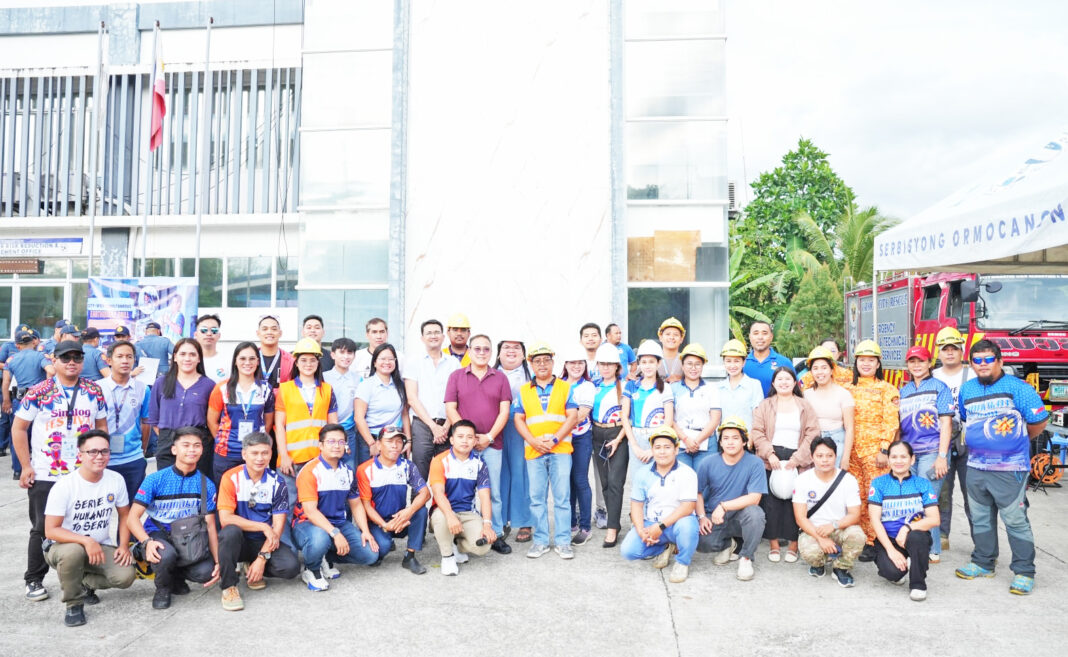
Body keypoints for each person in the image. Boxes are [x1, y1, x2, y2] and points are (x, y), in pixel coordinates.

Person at [12, 340, 108, 602]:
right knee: (42, 528)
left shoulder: (93, 391)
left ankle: (83, 582)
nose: (72, 363)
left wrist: (99, 462)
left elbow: (101, 427)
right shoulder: (38, 392)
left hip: (82, 473)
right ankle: (33, 578)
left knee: (82, 526)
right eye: (65, 358)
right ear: (54, 360)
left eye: (77, 358)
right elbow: (18, 428)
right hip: (45, 472)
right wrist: (26, 466)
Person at [954, 339, 1048, 596]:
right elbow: (966, 419)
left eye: (988, 359)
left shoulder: (1019, 388)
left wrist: (1015, 441)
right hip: (975, 466)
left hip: (1010, 468)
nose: (982, 365)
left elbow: (1038, 421)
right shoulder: (967, 390)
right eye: (977, 360)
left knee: (1015, 519)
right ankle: (984, 563)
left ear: (1000, 361)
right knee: (980, 517)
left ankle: (1024, 571)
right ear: (971, 364)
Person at [43, 429, 136, 626]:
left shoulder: (115, 479)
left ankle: (83, 581)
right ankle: (74, 604)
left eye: (104, 451)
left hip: (99, 546)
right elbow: (51, 530)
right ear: (80, 455)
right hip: (62, 547)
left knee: (126, 576)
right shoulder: (64, 486)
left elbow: (125, 515)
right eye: (92, 452)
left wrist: (123, 546)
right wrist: (86, 540)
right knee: (73, 553)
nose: (99, 456)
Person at [127, 427, 221, 610]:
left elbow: (210, 525)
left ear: (202, 450)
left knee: (207, 572)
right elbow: (132, 518)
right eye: (185, 445)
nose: (191, 450)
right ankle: (163, 588)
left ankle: (176, 575)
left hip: (188, 536)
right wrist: (147, 542)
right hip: (158, 532)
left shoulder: (206, 485)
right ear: (174, 449)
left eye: (196, 446)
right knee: (165, 554)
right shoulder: (155, 479)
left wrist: (218, 561)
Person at [216, 431, 300, 611]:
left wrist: (262, 558)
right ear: (244, 454)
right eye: (254, 453)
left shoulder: (278, 482)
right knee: (229, 532)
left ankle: (253, 566)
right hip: (238, 540)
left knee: (291, 567)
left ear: (271, 454)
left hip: (263, 541)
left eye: (265, 453)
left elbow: (277, 527)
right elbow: (225, 518)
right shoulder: (230, 477)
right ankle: (229, 586)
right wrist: (262, 525)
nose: (260, 458)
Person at [444, 333, 512, 554]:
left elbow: (504, 411)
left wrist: (489, 436)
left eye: (486, 349)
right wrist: (468, 437)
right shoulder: (456, 376)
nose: (481, 353)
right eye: (477, 349)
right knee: (459, 491)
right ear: (469, 351)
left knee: (493, 492)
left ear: (491, 353)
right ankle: (460, 533)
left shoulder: (500, 378)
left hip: (493, 444)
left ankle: (497, 534)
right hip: (464, 446)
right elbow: (451, 408)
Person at [291, 424, 381, 591]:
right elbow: (310, 512)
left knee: (370, 554)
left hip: (338, 523)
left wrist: (365, 531)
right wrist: (335, 533)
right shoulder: (310, 471)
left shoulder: (347, 472)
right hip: (308, 524)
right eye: (331, 441)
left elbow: (356, 504)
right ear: (321, 445)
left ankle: (323, 556)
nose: (336, 446)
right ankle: (312, 568)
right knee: (320, 539)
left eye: (341, 442)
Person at [513, 341, 578, 559]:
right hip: (534, 452)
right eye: (537, 361)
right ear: (531, 364)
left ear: (552, 362)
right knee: (537, 498)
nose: (542, 365)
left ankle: (563, 542)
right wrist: (533, 441)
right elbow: (519, 420)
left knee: (562, 498)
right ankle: (540, 541)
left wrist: (555, 439)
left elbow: (572, 416)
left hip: (560, 450)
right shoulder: (523, 391)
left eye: (546, 360)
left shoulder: (565, 387)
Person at [752, 367, 820, 563]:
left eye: (787, 379)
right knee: (771, 502)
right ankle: (773, 544)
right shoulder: (765, 405)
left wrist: (797, 459)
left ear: (794, 382)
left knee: (795, 503)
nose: (783, 382)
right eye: (779, 379)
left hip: (797, 456)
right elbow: (757, 431)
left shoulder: (804, 406)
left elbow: (812, 433)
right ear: (773, 383)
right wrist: (769, 453)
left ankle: (793, 544)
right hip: (771, 456)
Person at [620, 427, 699, 583]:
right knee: (628, 551)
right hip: (652, 522)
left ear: (676, 450)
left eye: (667, 447)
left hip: (677, 523)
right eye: (658, 447)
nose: (662, 452)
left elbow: (688, 507)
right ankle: (664, 547)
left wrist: (661, 526)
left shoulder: (687, 473)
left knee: (688, 526)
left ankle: (682, 562)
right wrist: (641, 530)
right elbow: (636, 505)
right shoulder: (643, 473)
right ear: (652, 450)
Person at [844, 339, 900, 561]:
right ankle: (859, 539)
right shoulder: (847, 388)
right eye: (861, 360)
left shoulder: (887, 389)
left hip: (875, 453)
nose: (866, 364)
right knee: (856, 497)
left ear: (878, 364)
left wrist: (884, 449)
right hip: (852, 454)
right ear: (855, 363)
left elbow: (891, 421)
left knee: (876, 497)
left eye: (871, 360)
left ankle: (876, 541)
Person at [898, 345, 953, 564]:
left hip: (932, 452)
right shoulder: (904, 391)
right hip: (910, 454)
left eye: (921, 361)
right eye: (912, 361)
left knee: (927, 500)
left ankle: (933, 549)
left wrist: (942, 456)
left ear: (929, 363)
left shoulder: (940, 387)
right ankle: (915, 544)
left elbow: (946, 423)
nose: (917, 365)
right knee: (910, 499)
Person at [696, 417, 767, 581]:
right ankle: (728, 545)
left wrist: (724, 506)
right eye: (725, 438)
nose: (730, 442)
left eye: (735, 438)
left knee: (756, 515)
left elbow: (755, 498)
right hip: (715, 516)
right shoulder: (707, 463)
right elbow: (697, 493)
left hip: (741, 516)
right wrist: (701, 517)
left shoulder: (755, 463)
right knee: (699, 540)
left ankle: (746, 557)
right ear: (720, 442)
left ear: (744, 441)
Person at [869, 440, 940, 602]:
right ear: (888, 460)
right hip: (889, 540)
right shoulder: (879, 484)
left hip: (914, 538)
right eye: (894, 457)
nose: (898, 461)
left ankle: (918, 584)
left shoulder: (922, 484)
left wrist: (907, 527)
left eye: (903, 457)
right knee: (893, 573)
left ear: (912, 459)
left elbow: (934, 519)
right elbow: (875, 519)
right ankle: (909, 561)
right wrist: (891, 550)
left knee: (918, 537)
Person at [274, 338, 339, 510]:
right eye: (303, 360)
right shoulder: (285, 389)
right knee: (287, 503)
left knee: (317, 503)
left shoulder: (327, 389)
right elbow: (279, 425)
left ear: (318, 362)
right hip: (292, 459)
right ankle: (285, 539)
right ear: (296, 362)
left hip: (319, 457)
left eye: (312, 360)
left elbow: (334, 426)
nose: (308, 364)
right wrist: (284, 455)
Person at [357, 427, 431, 575]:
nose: (395, 445)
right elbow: (366, 506)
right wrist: (384, 525)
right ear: (378, 445)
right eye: (389, 441)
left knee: (421, 511)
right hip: (377, 522)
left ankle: (409, 557)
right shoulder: (364, 469)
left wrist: (409, 511)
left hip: (400, 519)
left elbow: (425, 493)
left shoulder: (407, 466)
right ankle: (384, 540)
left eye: (399, 441)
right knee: (380, 551)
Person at [792, 436, 865, 587]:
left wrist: (834, 525)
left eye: (829, 455)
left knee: (857, 535)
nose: (825, 460)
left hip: (840, 527)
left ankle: (841, 568)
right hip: (814, 529)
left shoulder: (848, 480)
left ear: (835, 456)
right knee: (811, 552)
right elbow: (800, 518)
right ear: (812, 457)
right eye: (820, 456)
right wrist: (820, 538)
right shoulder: (802, 480)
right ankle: (819, 564)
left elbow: (855, 514)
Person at [428, 420, 496, 576]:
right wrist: (451, 516)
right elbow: (438, 493)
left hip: (467, 513)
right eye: (460, 436)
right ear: (452, 440)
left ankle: (457, 544)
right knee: (443, 518)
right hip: (443, 511)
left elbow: (485, 496)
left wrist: (487, 525)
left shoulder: (479, 463)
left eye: (469, 437)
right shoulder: (439, 460)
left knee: (483, 547)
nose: (465, 440)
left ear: (475, 441)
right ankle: (448, 557)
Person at [207, 342, 275, 482]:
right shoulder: (222, 388)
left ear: (257, 361)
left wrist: (258, 442)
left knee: (254, 497)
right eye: (242, 359)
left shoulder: (265, 389)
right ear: (235, 362)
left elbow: (268, 422)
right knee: (225, 497)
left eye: (252, 359)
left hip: (256, 453)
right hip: (227, 454)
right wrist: (223, 441)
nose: (247, 363)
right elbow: (212, 421)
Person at [931, 326, 973, 549]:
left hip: (969, 443)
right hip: (941, 441)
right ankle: (942, 535)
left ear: (961, 351)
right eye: (945, 349)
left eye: (954, 349)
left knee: (973, 495)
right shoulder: (932, 376)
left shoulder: (973, 374)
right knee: (942, 492)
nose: (949, 353)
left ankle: (981, 542)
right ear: (938, 352)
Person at [148, 338, 215, 475]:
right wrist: (172, 438)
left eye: (192, 354)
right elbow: (154, 419)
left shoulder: (209, 385)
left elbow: (213, 419)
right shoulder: (161, 382)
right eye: (182, 354)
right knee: (167, 487)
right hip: (167, 442)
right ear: (175, 357)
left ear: (199, 359)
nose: (187, 358)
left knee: (196, 487)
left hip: (196, 442)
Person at [405, 319, 460, 481]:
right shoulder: (414, 362)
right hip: (422, 425)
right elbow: (412, 398)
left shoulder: (453, 363)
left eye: (437, 332)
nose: (433, 336)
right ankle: (419, 507)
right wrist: (433, 426)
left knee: (447, 477)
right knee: (419, 478)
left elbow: (458, 398)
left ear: (443, 337)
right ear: (422, 338)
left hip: (447, 425)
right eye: (429, 333)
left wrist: (445, 427)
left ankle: (442, 508)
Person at [493, 337, 534, 543]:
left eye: (516, 347)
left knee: (521, 473)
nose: (511, 351)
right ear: (498, 353)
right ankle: (499, 521)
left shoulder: (531, 374)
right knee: (498, 473)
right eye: (506, 347)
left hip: (521, 427)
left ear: (524, 353)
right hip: (495, 427)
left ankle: (525, 520)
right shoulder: (490, 373)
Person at [100, 341, 151, 503]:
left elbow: (146, 422)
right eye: (119, 356)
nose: (125, 361)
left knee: (130, 512)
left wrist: (142, 451)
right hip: (102, 459)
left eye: (129, 357)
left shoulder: (143, 389)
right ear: (109, 361)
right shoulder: (96, 389)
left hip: (132, 459)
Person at [3, 328, 56, 479]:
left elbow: (5, 382)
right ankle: (39, 467)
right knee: (40, 434)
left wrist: (6, 401)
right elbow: (51, 370)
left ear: (17, 345)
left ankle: (18, 470)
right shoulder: (40, 356)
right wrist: (47, 387)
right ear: (33, 342)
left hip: (19, 400)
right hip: (38, 399)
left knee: (18, 433)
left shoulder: (11, 360)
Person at [590, 343, 628, 547]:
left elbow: (628, 417)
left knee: (615, 482)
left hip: (617, 433)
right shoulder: (593, 386)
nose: (605, 368)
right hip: (597, 433)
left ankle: (613, 528)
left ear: (617, 366)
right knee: (604, 482)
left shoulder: (625, 387)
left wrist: (619, 438)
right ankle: (613, 520)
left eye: (609, 364)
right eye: (602, 364)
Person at [354, 344, 410, 467]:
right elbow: (359, 418)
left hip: (395, 439)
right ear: (374, 362)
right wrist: (372, 444)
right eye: (382, 359)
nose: (387, 362)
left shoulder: (401, 385)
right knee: (370, 478)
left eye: (390, 359)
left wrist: (408, 440)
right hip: (371, 439)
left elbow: (405, 414)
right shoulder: (366, 385)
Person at [561, 346, 595, 545]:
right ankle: (571, 522)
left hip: (581, 437)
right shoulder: (559, 384)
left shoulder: (587, 386)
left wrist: (559, 428)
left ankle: (585, 527)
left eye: (580, 363)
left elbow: (581, 414)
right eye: (572, 363)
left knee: (580, 479)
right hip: (563, 439)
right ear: (565, 365)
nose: (576, 366)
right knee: (567, 479)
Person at [622, 340, 675, 472]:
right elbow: (624, 416)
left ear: (658, 363)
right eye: (644, 362)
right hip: (636, 436)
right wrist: (634, 446)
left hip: (659, 436)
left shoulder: (666, 388)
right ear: (639, 363)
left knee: (659, 481)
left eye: (651, 362)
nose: (647, 366)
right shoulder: (631, 386)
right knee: (638, 481)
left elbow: (668, 420)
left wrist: (654, 449)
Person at [802, 345, 855, 469]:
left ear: (832, 370)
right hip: (813, 442)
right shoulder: (806, 394)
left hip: (837, 442)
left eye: (824, 368)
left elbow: (850, 428)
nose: (820, 372)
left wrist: (846, 458)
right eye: (815, 368)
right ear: (811, 372)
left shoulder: (844, 394)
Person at [671, 344, 721, 472]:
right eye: (689, 364)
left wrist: (697, 441)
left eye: (698, 364)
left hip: (706, 443)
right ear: (682, 366)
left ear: (703, 366)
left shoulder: (711, 389)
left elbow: (715, 420)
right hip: (680, 442)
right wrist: (686, 440)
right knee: (682, 482)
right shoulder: (673, 389)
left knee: (704, 485)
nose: (693, 368)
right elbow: (670, 419)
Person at [714, 339, 764, 441]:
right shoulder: (717, 388)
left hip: (747, 440)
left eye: (736, 361)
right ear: (723, 362)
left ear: (744, 362)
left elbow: (757, 416)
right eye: (728, 361)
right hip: (725, 442)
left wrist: (752, 438)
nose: (732, 365)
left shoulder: (754, 385)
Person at [323, 337, 361, 469]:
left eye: (350, 353)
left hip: (349, 432)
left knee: (349, 469)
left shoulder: (358, 380)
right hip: (326, 430)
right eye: (342, 352)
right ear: (332, 355)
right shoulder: (324, 378)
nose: (346, 356)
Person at [0, 323, 33, 460]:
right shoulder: (8, 347)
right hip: (9, 387)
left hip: (24, 390)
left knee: (21, 425)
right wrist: (11, 365)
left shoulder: (33, 352)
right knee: (6, 419)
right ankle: (2, 446)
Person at [743, 321, 794, 396]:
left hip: (777, 407)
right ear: (750, 337)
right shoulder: (742, 364)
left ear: (771, 337)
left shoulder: (784, 362)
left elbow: (795, 390)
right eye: (756, 333)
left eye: (764, 333)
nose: (760, 337)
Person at [255, 314, 292, 390]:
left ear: (280, 333)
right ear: (258, 333)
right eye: (265, 329)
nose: (269, 332)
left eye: (274, 329)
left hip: (281, 401)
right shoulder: (249, 358)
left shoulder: (290, 361)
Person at [194, 314, 230, 383]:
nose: (209, 334)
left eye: (214, 330)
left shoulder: (228, 360)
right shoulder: (189, 360)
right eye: (204, 330)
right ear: (196, 335)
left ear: (219, 335)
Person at [656, 317, 687, 383]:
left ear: (681, 339)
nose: (671, 337)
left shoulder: (686, 360)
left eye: (676, 334)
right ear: (660, 337)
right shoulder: (653, 358)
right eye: (668, 334)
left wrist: (680, 378)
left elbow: (695, 381)